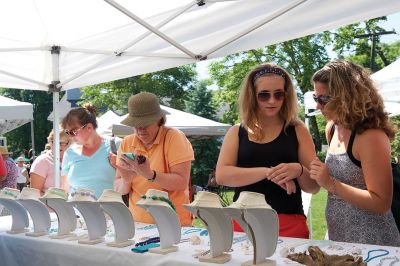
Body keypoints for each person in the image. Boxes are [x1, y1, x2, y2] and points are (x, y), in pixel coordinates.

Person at [216, 63, 320, 238]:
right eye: (264, 95)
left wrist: (299, 170)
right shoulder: (237, 132)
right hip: (243, 222)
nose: (272, 101)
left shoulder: (298, 130)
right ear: (252, 96)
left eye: (278, 94)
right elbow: (222, 176)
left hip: (288, 224)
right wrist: (269, 172)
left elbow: (314, 187)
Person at [310, 60, 400, 246]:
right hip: (339, 237)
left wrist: (330, 183)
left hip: (372, 243)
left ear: (346, 97)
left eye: (323, 99)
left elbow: (381, 202)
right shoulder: (333, 128)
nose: (318, 106)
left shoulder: (370, 136)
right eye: (315, 98)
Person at [114, 92, 195, 226]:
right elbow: (119, 189)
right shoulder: (127, 142)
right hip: (139, 223)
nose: (140, 129)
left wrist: (149, 174)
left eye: (145, 123)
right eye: (135, 124)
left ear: (159, 120)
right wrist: (126, 181)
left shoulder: (174, 137)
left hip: (174, 223)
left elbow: (181, 182)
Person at [61, 104, 120, 199]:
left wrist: (119, 167)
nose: (70, 136)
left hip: (109, 211)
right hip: (76, 211)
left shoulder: (116, 145)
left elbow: (130, 181)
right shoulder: (69, 153)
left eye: (73, 131)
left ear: (89, 127)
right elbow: (65, 188)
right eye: (67, 132)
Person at [30, 129, 70, 195]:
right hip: (49, 204)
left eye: (64, 142)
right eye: (56, 142)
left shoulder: (73, 161)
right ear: (50, 143)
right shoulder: (43, 161)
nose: (59, 145)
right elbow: (34, 193)